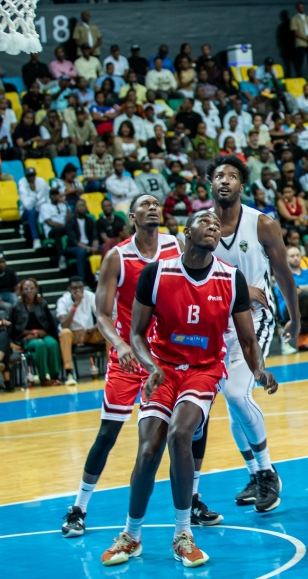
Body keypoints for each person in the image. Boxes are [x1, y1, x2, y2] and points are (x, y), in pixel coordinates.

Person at [99, 210, 277, 568]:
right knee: (148, 448)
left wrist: (258, 369)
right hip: (162, 369)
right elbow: (136, 333)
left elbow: (245, 336)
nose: (213, 226)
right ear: (186, 233)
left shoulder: (231, 278)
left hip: (203, 370)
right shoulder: (157, 273)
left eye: (216, 224)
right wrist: (150, 368)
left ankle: (183, 533)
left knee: (180, 434)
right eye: (204, 222)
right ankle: (131, 535)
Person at [61, 195, 220, 537]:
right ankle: (79, 507)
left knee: (194, 428)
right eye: (144, 204)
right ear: (132, 216)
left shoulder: (176, 244)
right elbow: (102, 313)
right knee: (108, 433)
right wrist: (119, 344)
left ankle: (192, 499)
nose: (152, 207)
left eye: (156, 204)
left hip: (169, 355)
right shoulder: (117, 256)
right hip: (131, 357)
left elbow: (202, 282)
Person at [208, 155, 297, 511]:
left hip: (255, 317)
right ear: (210, 186)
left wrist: (295, 316)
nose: (225, 180)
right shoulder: (203, 225)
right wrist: (239, 287)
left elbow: (285, 274)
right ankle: (255, 473)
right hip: (217, 318)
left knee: (235, 391)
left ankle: (268, 473)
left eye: (232, 176)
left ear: (242, 185)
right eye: (219, 176)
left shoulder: (262, 224)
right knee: (233, 406)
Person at [8, 278, 63, 386]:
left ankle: (54, 376)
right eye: (26, 289)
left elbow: (49, 323)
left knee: (52, 343)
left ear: (36, 289)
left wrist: (39, 333)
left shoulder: (42, 303)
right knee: (39, 345)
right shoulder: (16, 306)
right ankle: (44, 378)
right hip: (25, 337)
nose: (29, 291)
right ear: (22, 291)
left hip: (42, 333)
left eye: (32, 288)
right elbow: (15, 328)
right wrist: (32, 334)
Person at [56, 275, 105, 380]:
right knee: (64, 333)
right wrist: (76, 304)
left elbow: (102, 318)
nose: (78, 290)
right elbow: (64, 324)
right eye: (75, 288)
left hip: (89, 332)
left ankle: (113, 368)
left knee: (109, 329)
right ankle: (69, 372)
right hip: (73, 335)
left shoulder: (90, 296)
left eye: (81, 287)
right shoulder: (63, 301)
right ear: (69, 289)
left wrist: (90, 330)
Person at [65, 199, 100, 282]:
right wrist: (89, 248)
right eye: (79, 206)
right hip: (73, 247)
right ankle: (82, 280)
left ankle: (102, 276)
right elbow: (74, 241)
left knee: (107, 248)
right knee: (81, 252)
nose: (82, 208)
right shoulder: (70, 222)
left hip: (89, 246)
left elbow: (95, 237)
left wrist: (95, 246)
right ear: (75, 209)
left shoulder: (90, 221)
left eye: (83, 205)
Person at [290, 2, 308, 79]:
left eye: (302, 7)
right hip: (301, 42)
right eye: (299, 7)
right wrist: (307, 39)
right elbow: (296, 32)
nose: (301, 8)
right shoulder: (294, 19)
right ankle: (300, 77)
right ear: (297, 8)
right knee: (300, 62)